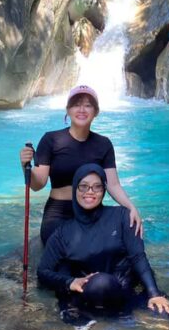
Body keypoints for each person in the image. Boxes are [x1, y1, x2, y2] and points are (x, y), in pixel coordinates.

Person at [37, 163, 169, 326]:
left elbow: (138, 256)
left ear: (104, 190)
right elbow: (43, 272)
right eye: (83, 186)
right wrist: (70, 282)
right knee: (100, 283)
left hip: (126, 291)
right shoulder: (63, 233)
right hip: (89, 295)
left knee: (167, 313)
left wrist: (154, 294)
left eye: (97, 187)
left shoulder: (122, 216)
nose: (90, 191)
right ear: (75, 189)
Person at [19, 85, 142, 245]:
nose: (82, 110)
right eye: (76, 104)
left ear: (96, 111)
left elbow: (113, 185)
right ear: (68, 110)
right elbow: (38, 185)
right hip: (59, 212)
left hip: (92, 211)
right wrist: (25, 166)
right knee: (72, 247)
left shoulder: (104, 144)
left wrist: (131, 208)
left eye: (88, 105)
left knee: (125, 233)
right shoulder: (51, 140)